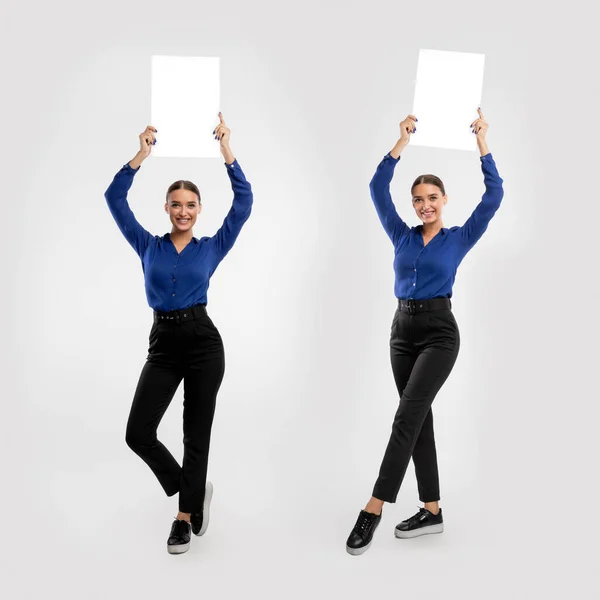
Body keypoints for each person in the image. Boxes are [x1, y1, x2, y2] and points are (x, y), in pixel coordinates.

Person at [346, 109, 504, 555]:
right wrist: (401, 143)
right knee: (419, 421)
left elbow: (494, 196)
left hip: (439, 333)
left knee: (405, 417)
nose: (424, 204)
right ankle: (432, 511)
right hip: (401, 332)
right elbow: (377, 187)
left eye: (432, 196)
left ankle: (373, 507)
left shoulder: (459, 237)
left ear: (444, 199)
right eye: (418, 198)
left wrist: (482, 143)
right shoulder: (401, 235)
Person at [104, 113, 253, 555]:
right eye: (176, 205)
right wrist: (141, 155)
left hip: (203, 343)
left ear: (199, 210)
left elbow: (244, 204)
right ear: (166, 209)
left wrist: (227, 151)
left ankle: (184, 518)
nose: (183, 211)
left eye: (190, 205)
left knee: (195, 433)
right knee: (138, 433)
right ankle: (189, 487)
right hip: (163, 345)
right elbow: (114, 198)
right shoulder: (147, 244)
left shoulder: (212, 247)